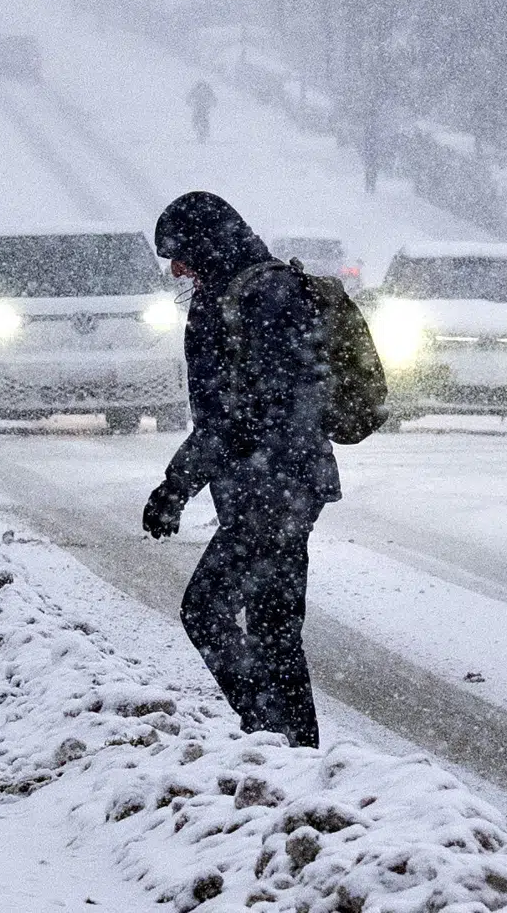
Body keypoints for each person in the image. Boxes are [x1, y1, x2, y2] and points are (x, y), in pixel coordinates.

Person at [143, 191, 339, 749]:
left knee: (205, 609)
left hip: (271, 486)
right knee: (276, 632)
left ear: (204, 246)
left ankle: (270, 734)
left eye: (179, 255)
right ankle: (298, 752)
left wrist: (175, 488)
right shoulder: (267, 288)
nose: (177, 270)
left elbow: (231, 417)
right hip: (294, 481)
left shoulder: (242, 300)